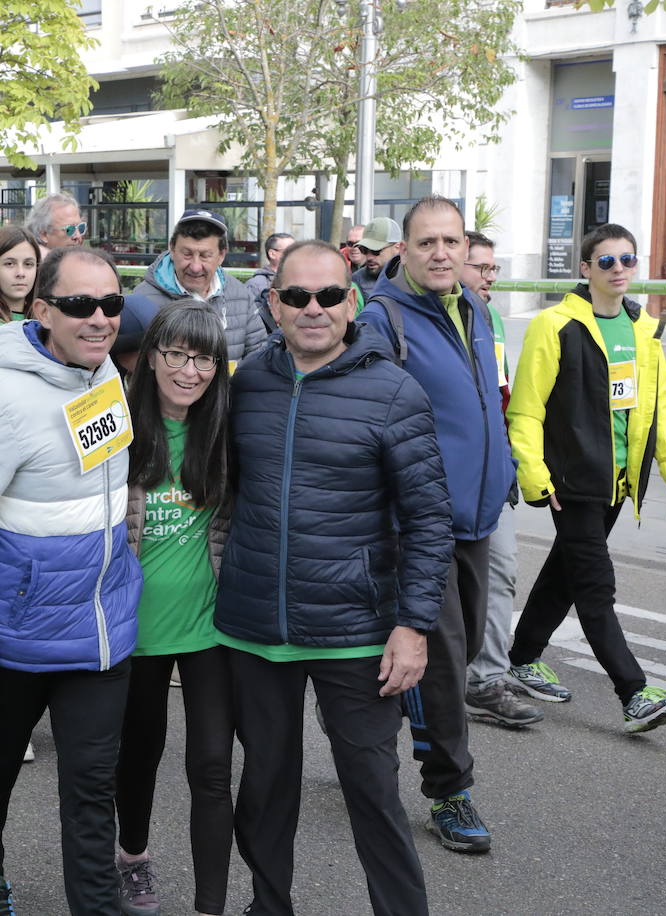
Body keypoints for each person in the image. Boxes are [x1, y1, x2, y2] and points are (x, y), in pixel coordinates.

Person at [218, 240, 451, 916]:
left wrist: (412, 627)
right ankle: (269, 906)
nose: (313, 309)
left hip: (357, 632)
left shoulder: (394, 390)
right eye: (296, 296)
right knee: (263, 791)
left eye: (328, 295)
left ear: (353, 301)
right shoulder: (248, 383)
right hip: (257, 630)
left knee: (374, 795)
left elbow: (430, 520)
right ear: (274, 304)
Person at [0, 246, 143, 915]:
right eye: (81, 305)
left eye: (111, 303)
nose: (100, 318)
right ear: (42, 310)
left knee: (91, 789)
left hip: (100, 628)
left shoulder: (103, 371)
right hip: (16, 635)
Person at [359, 195, 516, 854]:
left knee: (463, 643)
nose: (442, 253)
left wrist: (503, 470)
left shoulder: (475, 307)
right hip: (420, 525)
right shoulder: (382, 319)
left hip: (478, 515)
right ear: (404, 249)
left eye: (451, 241)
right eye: (427, 243)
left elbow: (482, 402)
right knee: (447, 660)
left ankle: (363, 729)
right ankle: (450, 787)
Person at [507, 223, 666, 733]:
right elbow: (525, 411)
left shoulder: (643, 330)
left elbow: (660, 411)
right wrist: (535, 475)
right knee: (595, 585)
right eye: (606, 261)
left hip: (619, 482)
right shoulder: (555, 325)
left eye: (628, 260)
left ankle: (521, 655)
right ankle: (633, 693)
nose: (619, 270)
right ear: (585, 269)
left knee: (565, 573)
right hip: (571, 483)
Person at [115, 304, 234, 916]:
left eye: (205, 358)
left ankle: (209, 903)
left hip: (206, 630)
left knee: (213, 768)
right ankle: (132, 860)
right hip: (136, 632)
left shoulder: (223, 431)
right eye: (178, 355)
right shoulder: (120, 428)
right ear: (152, 355)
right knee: (140, 754)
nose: (190, 371)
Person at [457, 232, 542, 728]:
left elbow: (500, 398)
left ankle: (485, 680)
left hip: (493, 477)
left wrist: (508, 463)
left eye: (494, 269)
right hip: (446, 487)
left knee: (502, 570)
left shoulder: (488, 319)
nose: (490, 278)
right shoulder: (411, 318)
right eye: (482, 268)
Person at [134, 209, 269, 362]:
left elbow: (259, 357)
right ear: (171, 249)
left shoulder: (240, 295)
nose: (195, 267)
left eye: (205, 256)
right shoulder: (143, 299)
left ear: (221, 255)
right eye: (187, 254)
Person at [239, 232, 294, 326]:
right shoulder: (255, 285)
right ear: (272, 254)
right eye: (289, 251)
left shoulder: (300, 280)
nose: (294, 254)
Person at [351, 217, 402, 300]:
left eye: (376, 250)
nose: (369, 257)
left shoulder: (415, 278)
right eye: (364, 250)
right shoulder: (356, 281)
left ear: (398, 247)